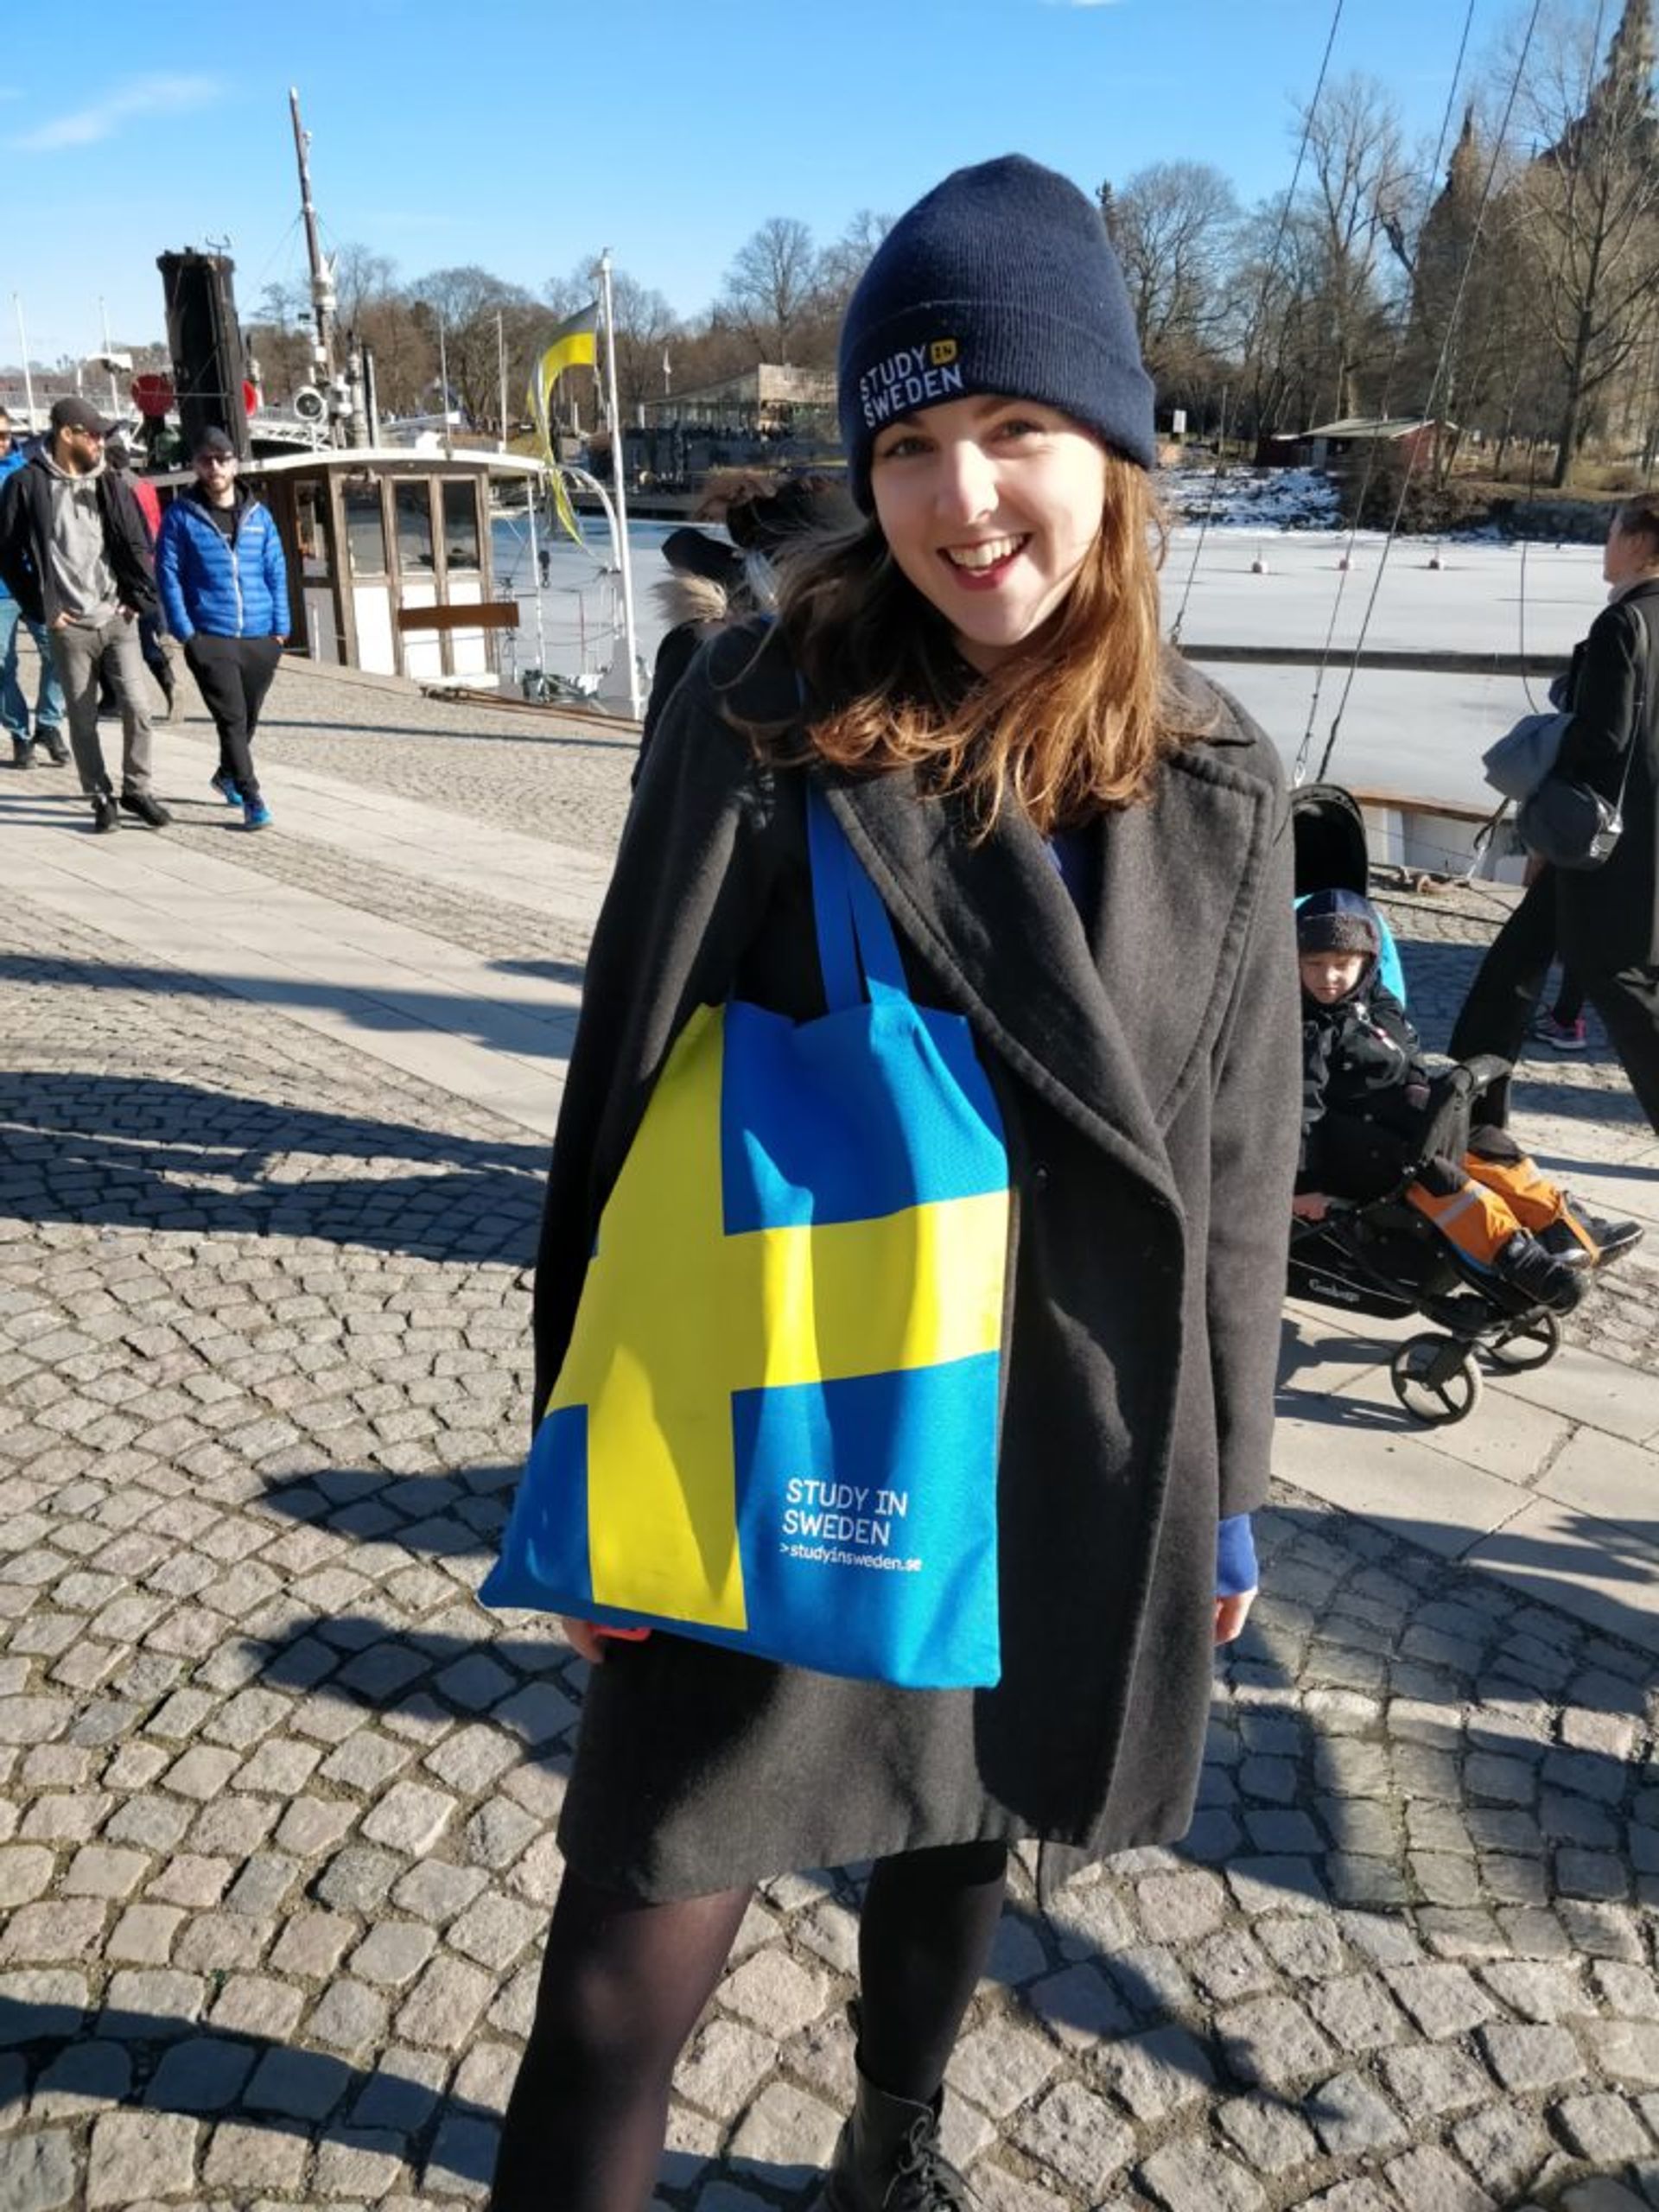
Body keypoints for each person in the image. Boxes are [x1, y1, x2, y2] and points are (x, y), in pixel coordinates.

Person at [488, 155, 1302, 2212]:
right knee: (616, 1976)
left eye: (1015, 428)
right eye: (914, 441)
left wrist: (1221, 1491)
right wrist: (577, 1465)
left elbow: (1227, 1165)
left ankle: (894, 2138)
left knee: (957, 1833)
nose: (963, 499)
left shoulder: (1215, 778)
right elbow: (616, 1095)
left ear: (1114, 447)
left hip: (1041, 1436)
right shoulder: (760, 712)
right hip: (778, 1405)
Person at [1294, 889, 1639, 1306]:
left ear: (1367, 962)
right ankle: (1521, 1259)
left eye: (1341, 965)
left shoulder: (1377, 1003)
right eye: (1313, 964)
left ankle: (1562, 1227)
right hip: (1363, 1145)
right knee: (1446, 1181)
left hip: (1405, 1118)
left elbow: (1407, 1054)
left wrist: (1424, 1089)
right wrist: (1305, 1187)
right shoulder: (1311, 1031)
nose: (1327, 977)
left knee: (1489, 1143)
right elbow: (1300, 1114)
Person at [0, 395, 166, 831]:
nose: (99, 442)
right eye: (92, 434)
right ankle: (100, 796)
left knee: (139, 706)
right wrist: (43, 610)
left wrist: (138, 598)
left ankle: (137, 789)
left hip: (117, 616)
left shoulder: (109, 481)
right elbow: (8, 555)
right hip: (68, 625)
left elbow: (136, 542)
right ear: (66, 434)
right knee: (82, 717)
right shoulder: (26, 484)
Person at [1551, 493, 1659, 1129]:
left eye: (1613, 531)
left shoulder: (1623, 623)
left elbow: (1603, 737)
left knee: (1609, 969)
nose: (1606, 543)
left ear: (1640, 545)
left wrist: (1550, 729)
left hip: (1618, 825)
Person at [155, 427, 289, 830]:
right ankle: (252, 796)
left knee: (247, 719)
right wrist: (185, 632)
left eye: (222, 459)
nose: (214, 468)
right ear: (195, 465)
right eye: (205, 460)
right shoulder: (181, 517)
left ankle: (225, 773)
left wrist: (280, 630)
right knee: (230, 719)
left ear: (235, 462)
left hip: (260, 637)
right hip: (210, 635)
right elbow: (168, 574)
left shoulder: (259, 516)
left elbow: (276, 572)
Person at [0, 405, 69, 769]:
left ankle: (49, 723)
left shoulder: (29, 474)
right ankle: (19, 733)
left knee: (59, 654)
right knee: (1, 665)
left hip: (35, 582)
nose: (2, 443)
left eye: (5, 435)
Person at [105, 435, 177, 721]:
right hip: (154, 562)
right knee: (152, 625)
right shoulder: (144, 485)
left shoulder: (116, 488)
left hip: (134, 568)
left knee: (131, 638)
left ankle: (120, 696)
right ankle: (165, 653)